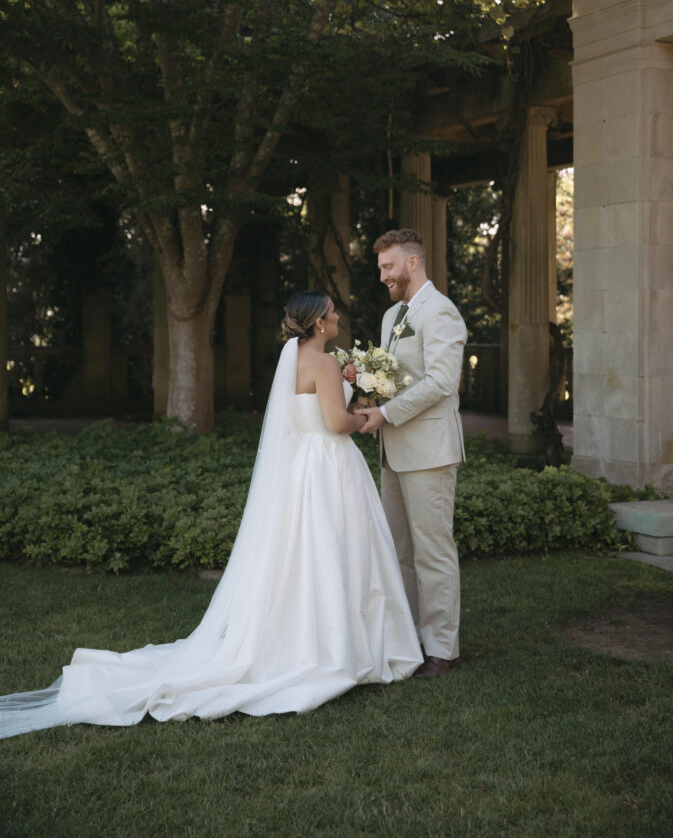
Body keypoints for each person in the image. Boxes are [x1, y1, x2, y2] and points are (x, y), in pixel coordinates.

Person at [0, 292, 421, 740]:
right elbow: (335, 424)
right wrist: (366, 416)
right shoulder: (324, 362)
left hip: (303, 470)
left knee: (306, 556)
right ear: (318, 322)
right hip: (328, 466)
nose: (337, 316)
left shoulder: (296, 356)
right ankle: (341, 646)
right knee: (337, 551)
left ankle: (310, 639)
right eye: (332, 311)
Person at [356, 229, 466, 679]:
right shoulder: (390, 316)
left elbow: (442, 381)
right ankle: (410, 638)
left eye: (388, 266)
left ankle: (443, 648)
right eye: (381, 267)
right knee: (398, 551)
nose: (383, 276)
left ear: (413, 263)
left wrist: (386, 413)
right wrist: (360, 387)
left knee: (432, 553)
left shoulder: (440, 312)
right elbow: (391, 376)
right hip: (393, 450)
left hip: (429, 450)